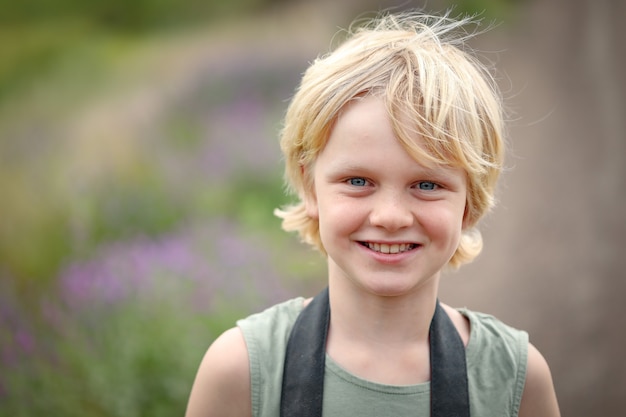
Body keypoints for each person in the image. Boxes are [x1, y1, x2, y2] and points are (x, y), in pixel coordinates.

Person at [185, 10, 560, 417]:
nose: (390, 216)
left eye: (427, 185)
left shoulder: (516, 380)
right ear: (310, 186)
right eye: (358, 181)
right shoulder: (241, 371)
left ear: (470, 201)